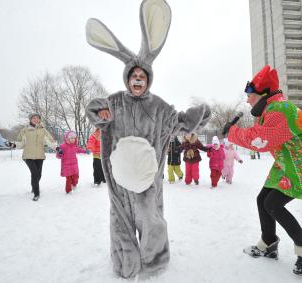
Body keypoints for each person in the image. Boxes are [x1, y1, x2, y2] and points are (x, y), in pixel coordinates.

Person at [85, 0, 210, 278]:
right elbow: (94, 110)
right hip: (118, 181)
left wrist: (198, 114)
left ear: (148, 79)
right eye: (134, 76)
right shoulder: (115, 102)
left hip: (146, 181)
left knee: (151, 220)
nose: (138, 79)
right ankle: (124, 261)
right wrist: (101, 112)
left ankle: (154, 260)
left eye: (142, 76)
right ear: (127, 79)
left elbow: (178, 123)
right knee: (120, 221)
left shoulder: (160, 106)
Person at [223, 65, 302, 276]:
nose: (248, 100)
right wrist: (235, 132)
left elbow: (261, 140)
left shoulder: (280, 110)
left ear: (264, 95)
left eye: (250, 95)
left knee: (272, 204)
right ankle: (268, 244)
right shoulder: (272, 110)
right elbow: (262, 133)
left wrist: (232, 132)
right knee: (262, 200)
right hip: (289, 162)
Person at [15, 113, 56, 201]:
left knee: (38, 174)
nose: (36, 119)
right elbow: (20, 142)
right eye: (34, 118)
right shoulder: (25, 130)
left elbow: (49, 140)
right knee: (35, 173)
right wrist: (14, 145)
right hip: (28, 156)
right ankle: (36, 193)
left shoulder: (43, 130)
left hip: (40, 155)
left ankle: (34, 186)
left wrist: (56, 147)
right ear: (30, 119)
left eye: (38, 118)